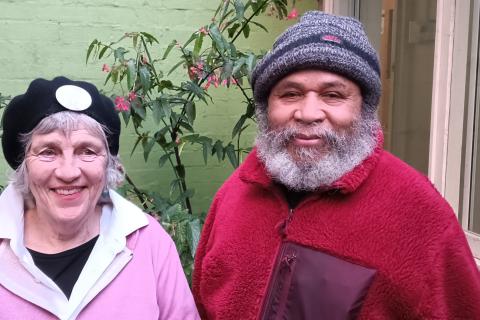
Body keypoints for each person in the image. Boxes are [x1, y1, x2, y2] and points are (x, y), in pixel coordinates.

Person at [192, 11, 480, 319]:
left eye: (333, 95)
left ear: (364, 110)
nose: (308, 113)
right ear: (266, 109)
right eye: (290, 94)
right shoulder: (235, 194)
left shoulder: (416, 211)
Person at [0, 76, 200, 319]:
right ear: (24, 164)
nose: (69, 172)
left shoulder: (149, 242)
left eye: (87, 151)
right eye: (48, 151)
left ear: (108, 164)